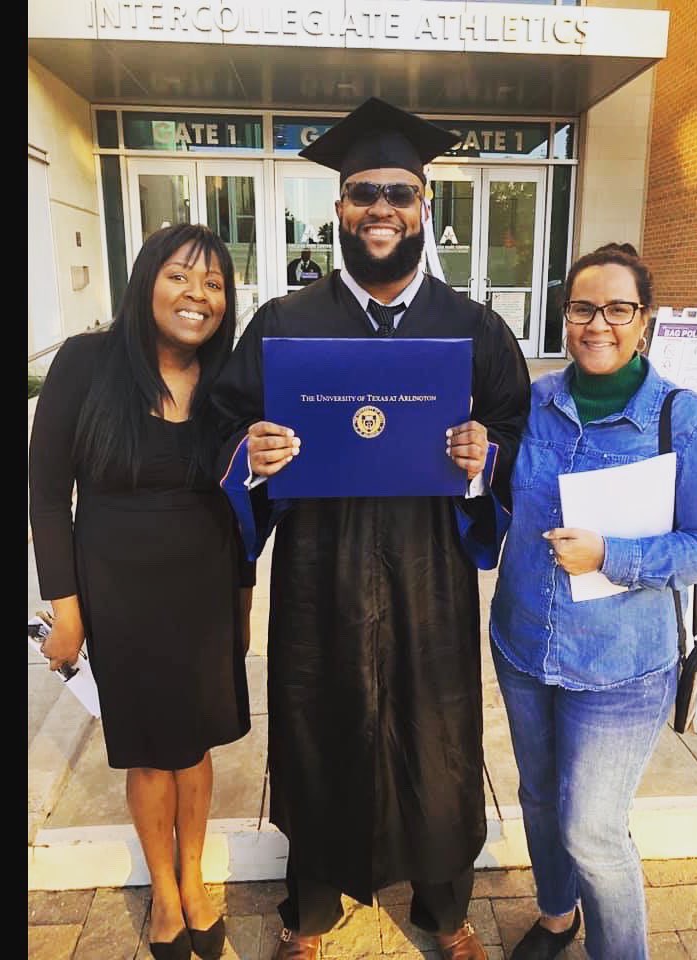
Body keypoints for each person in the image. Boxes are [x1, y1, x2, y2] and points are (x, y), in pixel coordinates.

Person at [213, 98, 531, 960]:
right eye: (362, 194)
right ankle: (311, 911)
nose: (380, 209)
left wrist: (484, 453)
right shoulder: (286, 323)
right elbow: (223, 426)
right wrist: (253, 448)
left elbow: (517, 434)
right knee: (323, 725)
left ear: (426, 207)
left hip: (431, 576)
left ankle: (445, 909)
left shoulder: (472, 327)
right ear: (338, 208)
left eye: (399, 192)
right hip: (321, 571)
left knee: (436, 735)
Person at [489, 242, 697, 960]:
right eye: (581, 308)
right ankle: (555, 915)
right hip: (524, 644)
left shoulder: (685, 421)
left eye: (617, 309)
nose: (597, 324)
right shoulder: (535, 403)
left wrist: (614, 556)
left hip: (622, 669)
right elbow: (502, 500)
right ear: (564, 314)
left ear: (645, 320)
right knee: (539, 799)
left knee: (593, 831)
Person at [29, 223, 253, 960]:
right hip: (118, 587)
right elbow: (45, 490)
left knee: (193, 747)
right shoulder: (87, 362)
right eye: (182, 277)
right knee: (151, 753)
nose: (199, 296)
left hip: (206, 587)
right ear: (146, 281)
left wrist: (244, 598)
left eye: (215, 284)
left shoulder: (225, 382)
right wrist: (65, 604)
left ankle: (193, 880)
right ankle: (163, 891)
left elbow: (244, 499)